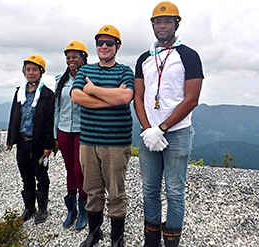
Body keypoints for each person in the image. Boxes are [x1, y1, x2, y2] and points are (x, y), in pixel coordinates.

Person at [134, 2, 204, 246]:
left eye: (167, 21)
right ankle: (151, 241)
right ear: (152, 25)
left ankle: (172, 241)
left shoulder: (189, 55)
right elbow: (138, 97)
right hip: (148, 134)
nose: (162, 26)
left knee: (174, 191)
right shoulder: (144, 58)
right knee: (150, 190)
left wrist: (160, 129)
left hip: (177, 133)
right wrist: (147, 130)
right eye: (158, 22)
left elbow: (192, 98)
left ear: (176, 23)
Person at [71, 25, 134, 247]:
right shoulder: (86, 70)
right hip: (88, 143)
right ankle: (94, 233)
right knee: (92, 190)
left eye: (109, 43)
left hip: (116, 144)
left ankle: (117, 238)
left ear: (117, 46)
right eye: (100, 43)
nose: (104, 47)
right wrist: (110, 97)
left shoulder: (126, 70)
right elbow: (76, 96)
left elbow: (126, 97)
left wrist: (93, 90)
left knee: (116, 192)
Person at [7, 54, 55, 225]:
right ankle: (29, 207)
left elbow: (50, 121)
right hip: (22, 141)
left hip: (39, 143)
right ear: (24, 71)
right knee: (25, 174)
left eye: (35, 69)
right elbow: (14, 116)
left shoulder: (47, 95)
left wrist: (49, 145)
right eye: (28, 69)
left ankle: (42, 208)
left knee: (41, 175)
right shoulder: (19, 92)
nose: (31, 73)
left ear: (41, 72)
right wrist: (10, 139)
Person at [54, 40, 88, 230]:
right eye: (68, 56)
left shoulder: (90, 76)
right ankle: (72, 209)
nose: (70, 59)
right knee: (69, 169)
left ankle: (83, 209)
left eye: (75, 56)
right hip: (64, 129)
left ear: (83, 58)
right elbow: (57, 109)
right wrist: (55, 135)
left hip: (83, 130)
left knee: (79, 169)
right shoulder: (61, 79)